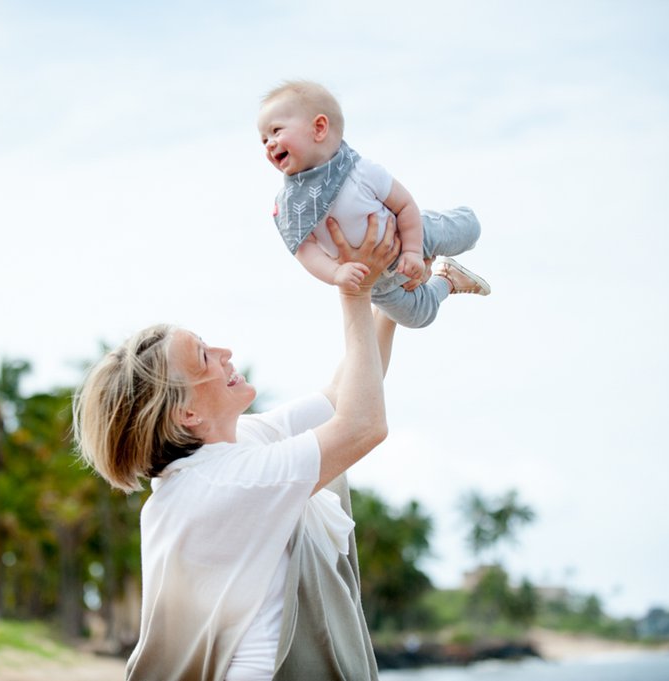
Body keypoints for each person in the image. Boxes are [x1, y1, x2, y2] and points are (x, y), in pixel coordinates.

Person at [73, 214, 401, 680]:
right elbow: (363, 424)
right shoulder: (223, 482)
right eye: (204, 356)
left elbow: (341, 398)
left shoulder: (235, 447)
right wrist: (353, 294)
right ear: (186, 413)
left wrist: (389, 300)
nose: (225, 352)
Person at [257, 79, 491, 329]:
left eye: (277, 131)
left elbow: (404, 206)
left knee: (469, 230)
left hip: (409, 234)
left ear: (319, 128)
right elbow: (307, 252)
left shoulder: (358, 171)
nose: (269, 143)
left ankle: (436, 246)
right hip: (375, 281)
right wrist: (336, 274)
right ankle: (447, 280)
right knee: (419, 317)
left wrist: (412, 251)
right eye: (263, 140)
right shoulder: (293, 206)